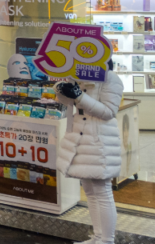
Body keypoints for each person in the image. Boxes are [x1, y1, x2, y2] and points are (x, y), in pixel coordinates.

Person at [56, 67, 124, 244]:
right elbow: (68, 104)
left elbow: (108, 112)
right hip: (80, 138)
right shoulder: (77, 75)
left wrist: (79, 95)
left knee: (102, 191)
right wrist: (61, 90)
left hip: (98, 140)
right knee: (89, 190)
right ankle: (98, 237)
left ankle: (107, 240)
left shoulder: (111, 79)